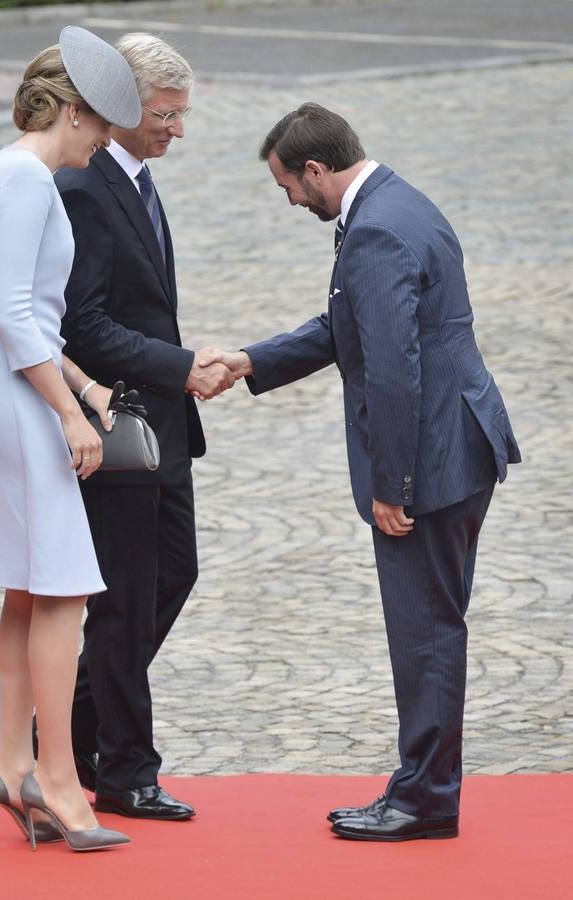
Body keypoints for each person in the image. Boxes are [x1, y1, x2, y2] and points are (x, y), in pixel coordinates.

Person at [200, 103, 521, 841]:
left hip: (432, 457)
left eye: (287, 185)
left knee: (425, 631)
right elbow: (351, 326)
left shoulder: (374, 229)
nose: (288, 201)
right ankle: (421, 786)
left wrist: (392, 484)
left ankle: (424, 799)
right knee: (432, 625)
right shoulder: (397, 200)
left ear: (315, 170)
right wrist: (251, 360)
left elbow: (392, 371)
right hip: (456, 441)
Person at [0, 26, 143, 852]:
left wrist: (87, 389)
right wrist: (67, 413)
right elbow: (13, 313)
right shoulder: (29, 183)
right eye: (97, 124)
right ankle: (56, 779)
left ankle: (11, 766)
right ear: (67, 111)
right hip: (7, 384)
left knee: (30, 584)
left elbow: (19, 311)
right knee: (61, 584)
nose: (102, 141)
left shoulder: (1, 169)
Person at [48, 32, 232, 821]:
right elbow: (80, 324)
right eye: (165, 114)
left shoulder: (138, 181)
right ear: (120, 108)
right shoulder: (86, 189)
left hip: (164, 424)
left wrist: (177, 370)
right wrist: (176, 364)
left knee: (172, 574)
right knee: (124, 598)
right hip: (118, 422)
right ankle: (123, 770)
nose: (176, 129)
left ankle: (59, 723)